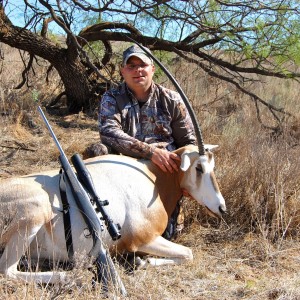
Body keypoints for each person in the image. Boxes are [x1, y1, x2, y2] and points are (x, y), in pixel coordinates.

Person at [98, 44, 196, 239]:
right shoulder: (111, 97)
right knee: (96, 151)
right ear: (122, 71)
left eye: (142, 64)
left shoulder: (172, 99)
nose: (137, 70)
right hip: (125, 173)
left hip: (165, 174)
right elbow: (109, 132)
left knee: (167, 236)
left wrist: (188, 179)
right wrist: (150, 152)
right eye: (131, 66)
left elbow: (189, 143)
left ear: (153, 68)